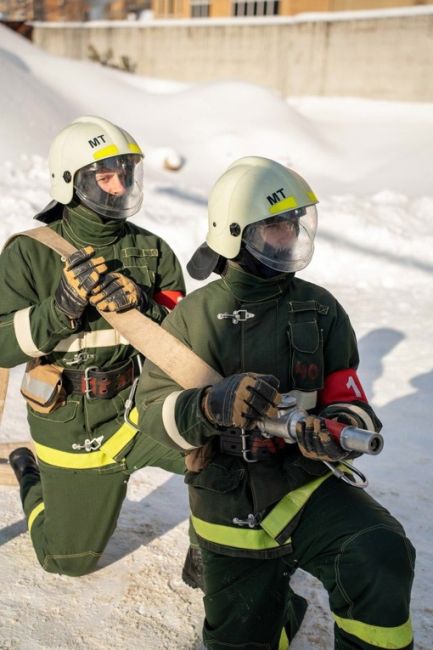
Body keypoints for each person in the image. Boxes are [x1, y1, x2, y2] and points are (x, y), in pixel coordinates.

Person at [135, 157, 415, 649]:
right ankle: (277, 611)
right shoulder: (195, 316)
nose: (290, 234)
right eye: (275, 225)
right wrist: (207, 406)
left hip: (304, 484)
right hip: (228, 496)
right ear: (237, 234)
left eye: (294, 222)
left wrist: (332, 432)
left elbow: (351, 401)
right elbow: (149, 411)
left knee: (379, 553)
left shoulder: (321, 309)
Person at [2, 115, 187, 577]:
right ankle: (31, 475)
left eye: (125, 173)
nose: (119, 185)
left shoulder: (154, 251)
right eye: (105, 175)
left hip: (138, 410)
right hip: (68, 421)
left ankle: (214, 557)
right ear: (71, 181)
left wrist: (145, 307)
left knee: (228, 453)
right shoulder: (29, 252)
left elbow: (188, 350)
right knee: (67, 562)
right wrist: (59, 308)